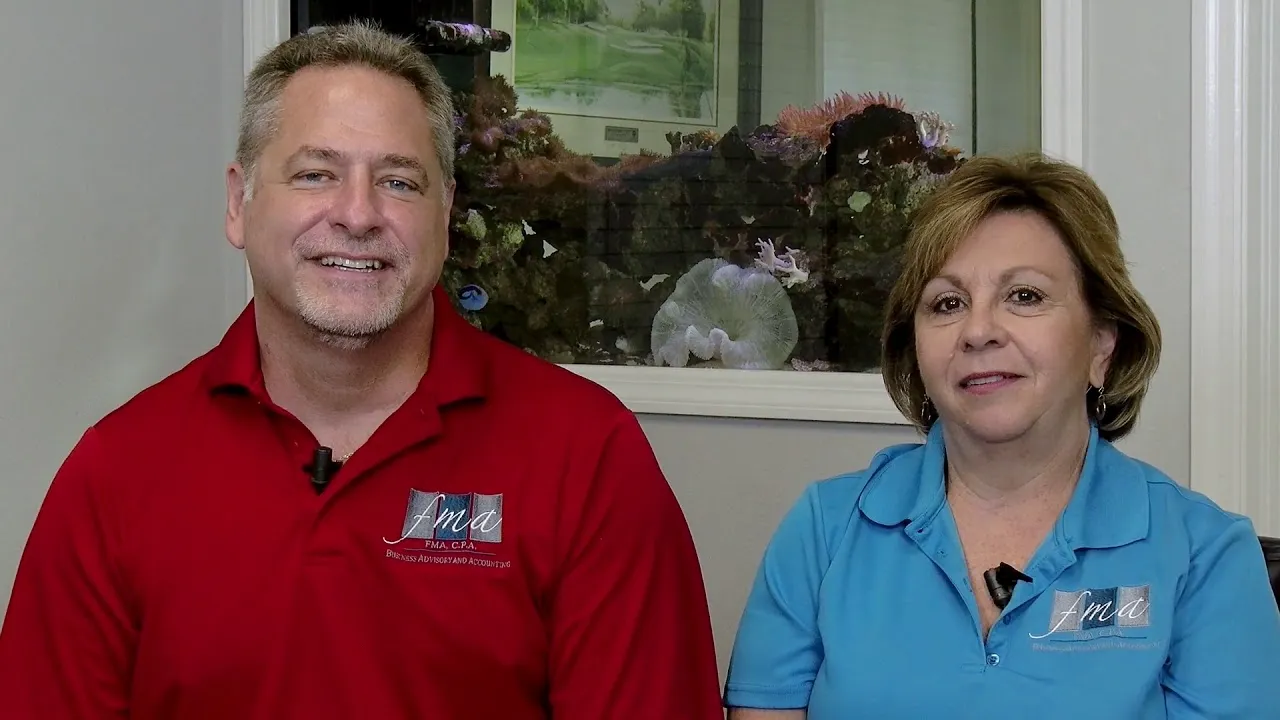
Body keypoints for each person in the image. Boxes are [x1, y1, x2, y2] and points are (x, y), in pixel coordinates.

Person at [0, 21, 724, 719]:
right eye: (315, 174)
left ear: (446, 214)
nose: (357, 214)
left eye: (399, 182)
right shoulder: (119, 473)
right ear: (238, 204)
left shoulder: (587, 459)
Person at [721, 153, 1280, 718]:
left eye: (1025, 296)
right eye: (948, 303)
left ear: (1101, 345)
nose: (979, 330)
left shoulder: (1206, 556)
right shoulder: (824, 529)